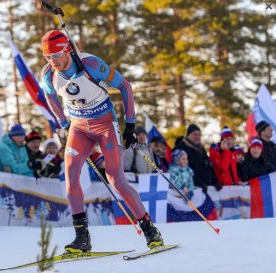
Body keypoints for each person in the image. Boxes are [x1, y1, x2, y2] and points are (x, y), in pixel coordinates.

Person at [40, 30, 163, 252]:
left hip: (105, 124)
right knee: (70, 174)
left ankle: (150, 230)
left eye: (56, 55)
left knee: (116, 179)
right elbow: (49, 95)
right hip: (79, 127)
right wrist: (63, 123)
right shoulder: (49, 74)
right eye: (48, 57)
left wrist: (131, 124)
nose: (53, 61)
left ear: (67, 49)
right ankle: (82, 238)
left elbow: (125, 86)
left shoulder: (91, 64)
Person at [176, 124, 222, 192]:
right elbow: (185, 170)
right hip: (192, 190)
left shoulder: (201, 148)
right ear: (188, 135)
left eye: (199, 134)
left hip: (205, 187)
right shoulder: (181, 149)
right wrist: (198, 183)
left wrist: (215, 181)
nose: (197, 137)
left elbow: (208, 165)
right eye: (195, 134)